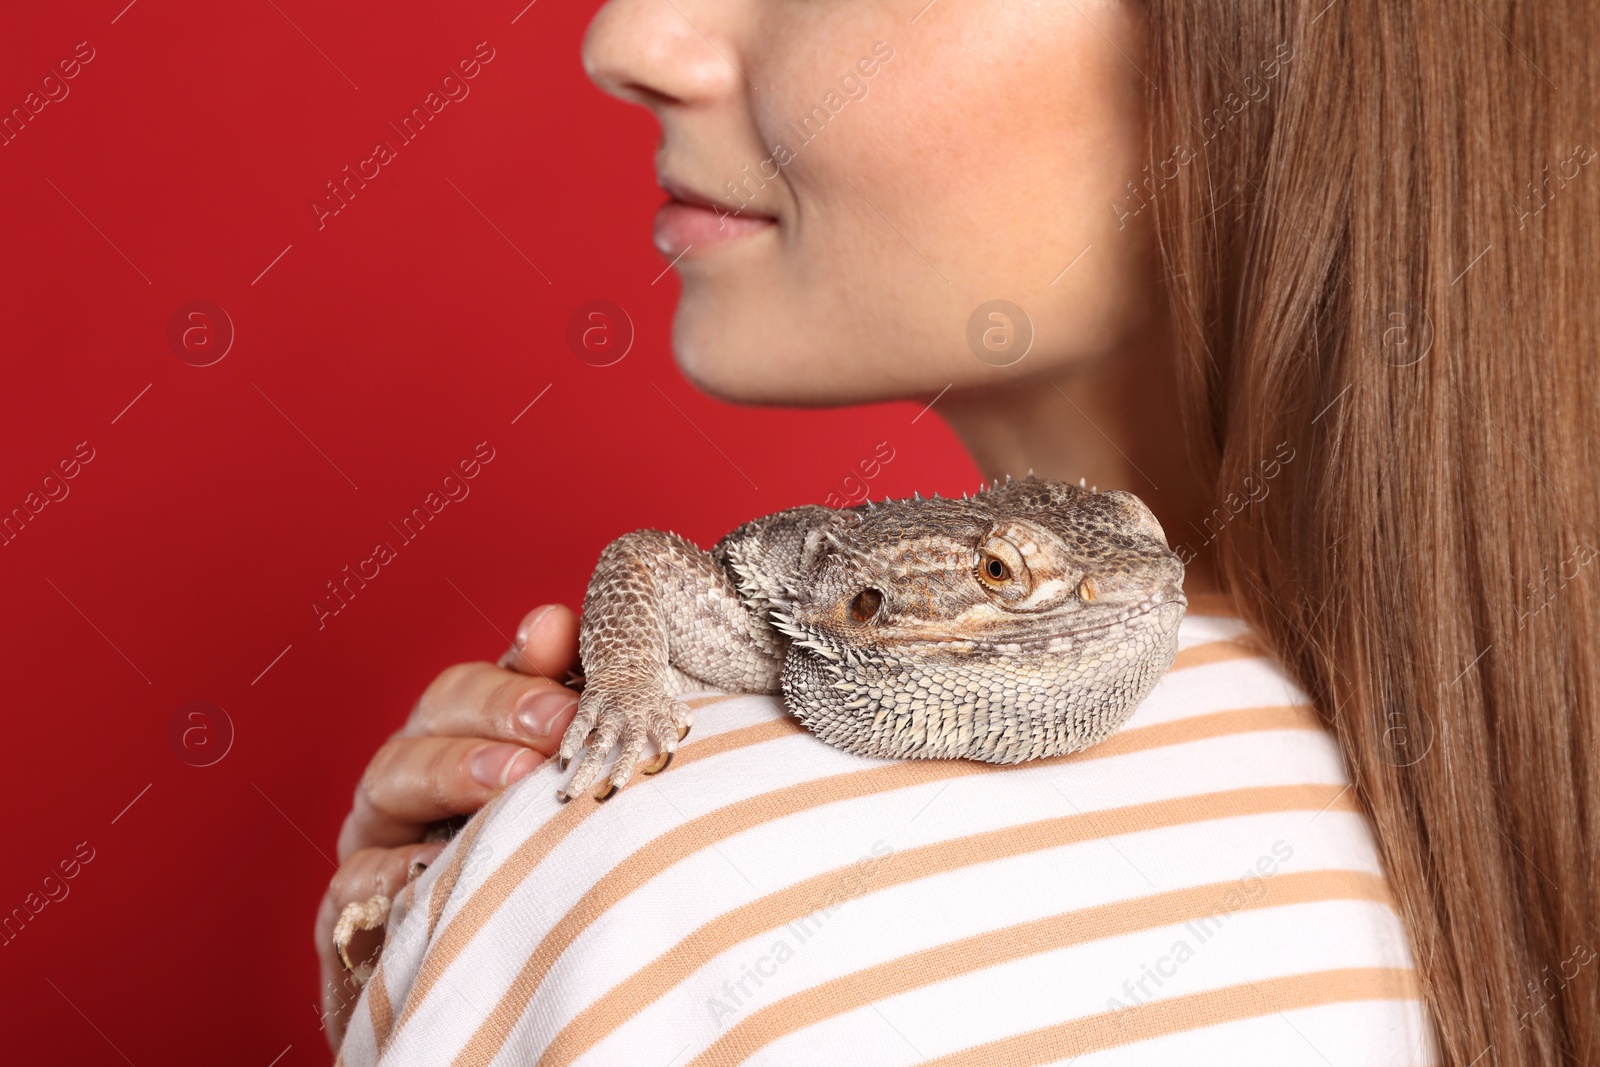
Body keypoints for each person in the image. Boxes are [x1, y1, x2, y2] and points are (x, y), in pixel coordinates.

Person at [318, 0, 1600, 1062]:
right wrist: (430, 958)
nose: (631, 38)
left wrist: (507, 931)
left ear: (1260, 54)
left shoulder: (670, 894)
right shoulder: (1517, 754)